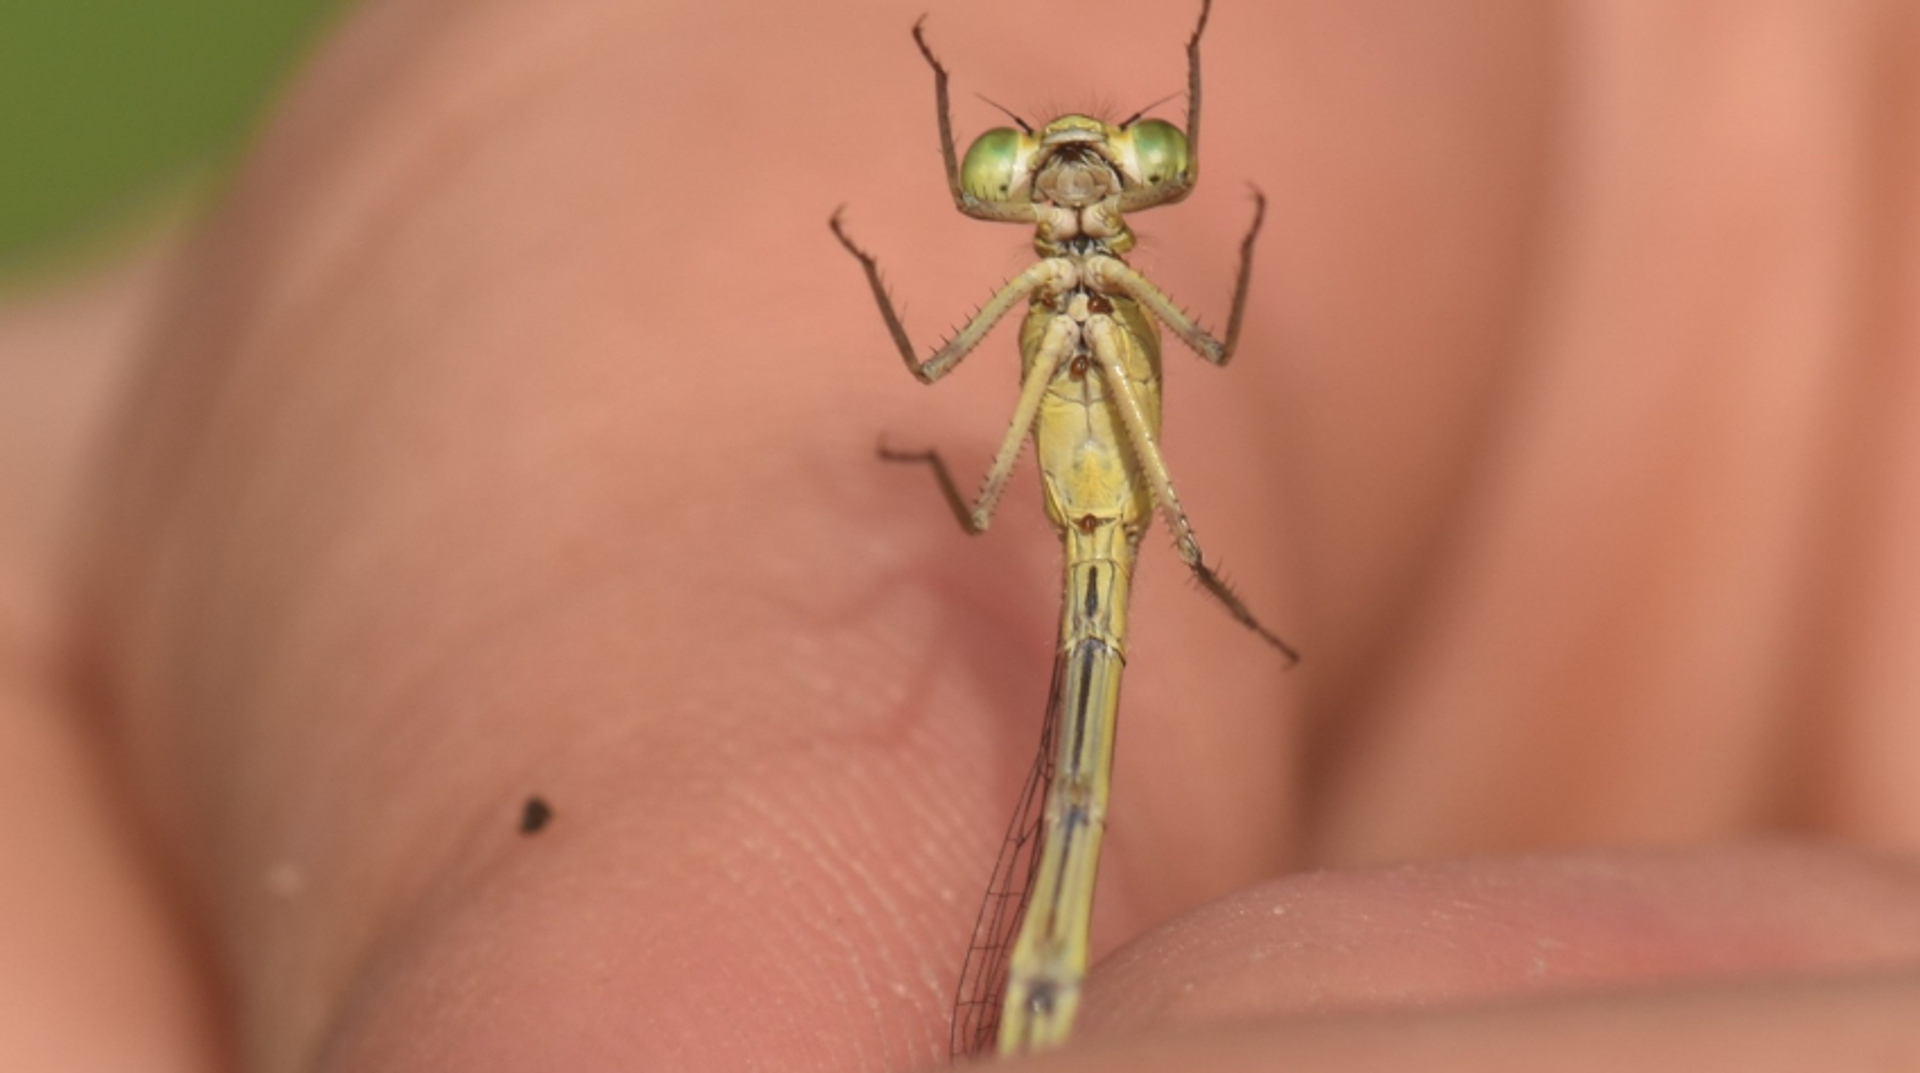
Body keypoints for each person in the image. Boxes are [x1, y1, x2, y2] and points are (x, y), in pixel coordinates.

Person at [5, 1, 1920, 1068]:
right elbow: (955, 400)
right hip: (1064, 526)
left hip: (1102, 542)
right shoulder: (1077, 289)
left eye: (1114, 162)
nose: (1075, 174)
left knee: (1080, 675)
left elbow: (1157, 370)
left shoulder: (1102, 298)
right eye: (1034, 164)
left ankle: (1047, 986)